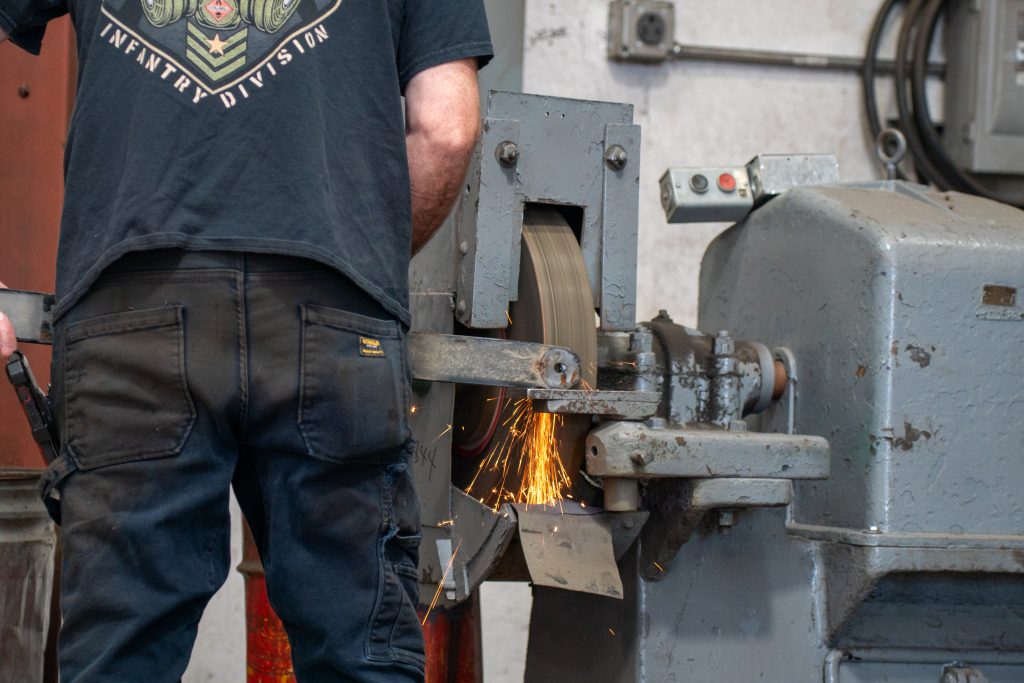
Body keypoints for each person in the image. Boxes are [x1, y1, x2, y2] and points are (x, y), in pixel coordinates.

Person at [0, 0, 492, 680]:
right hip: (330, 317)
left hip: (134, 301)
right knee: (362, 660)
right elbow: (448, 126)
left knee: (119, 660)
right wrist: (357, 258)